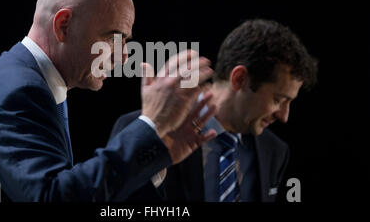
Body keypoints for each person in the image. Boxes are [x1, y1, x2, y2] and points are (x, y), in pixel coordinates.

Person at [0, 0, 219, 202]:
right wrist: (150, 126)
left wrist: (158, 150)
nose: (125, 54)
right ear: (63, 25)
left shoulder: (23, 81)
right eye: (114, 37)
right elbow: (54, 197)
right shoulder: (18, 93)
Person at [110, 19, 318, 202]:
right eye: (278, 99)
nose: (284, 116)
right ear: (239, 79)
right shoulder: (141, 130)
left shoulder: (274, 150)